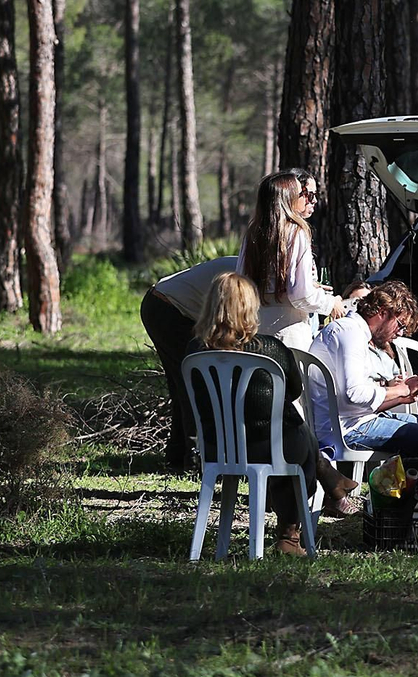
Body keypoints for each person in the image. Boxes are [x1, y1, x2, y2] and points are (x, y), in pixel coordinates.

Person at [185, 273, 358, 555]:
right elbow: (292, 390)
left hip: (218, 447)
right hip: (270, 447)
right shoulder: (271, 349)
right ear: (251, 307)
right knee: (294, 429)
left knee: (290, 427)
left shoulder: (194, 351)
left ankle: (329, 481)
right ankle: (290, 532)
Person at [306, 280, 418, 458]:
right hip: (344, 431)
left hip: (351, 421)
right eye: (400, 325)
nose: (400, 333)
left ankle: (403, 483)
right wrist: (399, 389)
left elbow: (350, 403)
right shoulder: (350, 332)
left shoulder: (352, 331)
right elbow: (355, 394)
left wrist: (399, 397)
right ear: (382, 312)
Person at [142, 255, 239, 470]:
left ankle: (178, 456)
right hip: (167, 307)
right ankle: (195, 459)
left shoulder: (247, 264)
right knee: (196, 384)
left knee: (183, 384)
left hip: (162, 302)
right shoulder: (248, 273)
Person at [238, 170, 345, 351]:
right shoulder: (296, 232)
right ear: (289, 197)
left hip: (254, 333)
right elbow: (299, 294)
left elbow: (241, 282)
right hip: (287, 337)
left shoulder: (253, 233)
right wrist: (330, 303)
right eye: (302, 193)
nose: (307, 199)